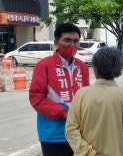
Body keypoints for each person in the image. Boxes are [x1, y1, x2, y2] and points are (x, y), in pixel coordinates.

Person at [65, 47, 123, 156]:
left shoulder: (81, 95)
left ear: (95, 70)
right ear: (118, 70)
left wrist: (91, 153)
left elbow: (70, 130)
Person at [29, 23, 90, 156]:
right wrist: (65, 113)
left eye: (75, 41)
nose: (72, 45)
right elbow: (36, 99)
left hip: (80, 134)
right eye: (67, 40)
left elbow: (87, 97)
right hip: (54, 135)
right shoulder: (43, 65)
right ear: (56, 43)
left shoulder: (82, 67)